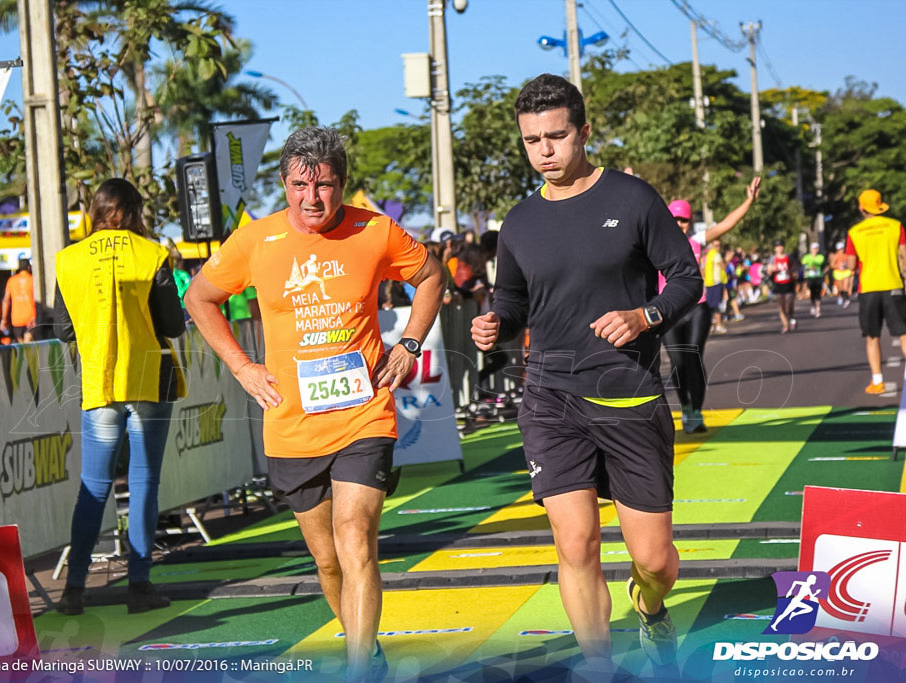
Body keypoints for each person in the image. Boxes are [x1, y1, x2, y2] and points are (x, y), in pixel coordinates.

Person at [184, 126, 445, 681]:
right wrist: (242, 365)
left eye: (324, 185)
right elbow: (198, 297)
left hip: (363, 415)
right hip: (292, 424)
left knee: (356, 537)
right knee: (327, 560)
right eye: (301, 184)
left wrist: (409, 343)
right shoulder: (255, 240)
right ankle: (364, 647)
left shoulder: (375, 230)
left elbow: (430, 276)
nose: (312, 197)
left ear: (342, 185)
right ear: (284, 184)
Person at [470, 74, 702, 672]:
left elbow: (686, 278)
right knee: (575, 543)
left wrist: (644, 315)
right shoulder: (518, 223)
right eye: (531, 140)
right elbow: (514, 301)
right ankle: (597, 665)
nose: (544, 150)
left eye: (556, 136)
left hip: (628, 394)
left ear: (584, 132)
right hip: (551, 396)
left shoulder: (633, 199)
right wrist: (496, 323)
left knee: (655, 559)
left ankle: (649, 608)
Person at [53, 178, 187, 615]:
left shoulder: (67, 260)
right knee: (145, 481)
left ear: (95, 210)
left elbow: (63, 330)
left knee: (93, 487)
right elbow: (172, 324)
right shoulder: (152, 254)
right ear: (133, 210)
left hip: (98, 380)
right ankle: (140, 585)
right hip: (147, 377)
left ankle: (74, 589)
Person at [660, 178, 760, 433]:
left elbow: (727, 223)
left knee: (693, 356)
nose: (679, 225)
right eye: (675, 220)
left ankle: (696, 412)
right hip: (669, 309)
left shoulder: (697, 240)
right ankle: (684, 407)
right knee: (677, 361)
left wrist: (749, 201)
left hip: (697, 307)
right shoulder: (655, 244)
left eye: (684, 220)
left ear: (690, 222)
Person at [846, 189, 906, 394]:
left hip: (869, 288)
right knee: (904, 333)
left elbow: (851, 263)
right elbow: (904, 256)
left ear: (861, 207)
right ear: (880, 205)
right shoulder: (895, 226)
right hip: (893, 284)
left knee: (872, 336)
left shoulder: (854, 232)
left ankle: (877, 381)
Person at [1, 259, 37, 342]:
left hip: (16, 318)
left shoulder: (11, 280)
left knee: (21, 345)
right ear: (29, 267)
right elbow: (37, 299)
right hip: (30, 317)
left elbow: (6, 301)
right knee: (28, 345)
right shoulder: (33, 279)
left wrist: (4, 319)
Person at [768, 240, 797, 333]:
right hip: (778, 284)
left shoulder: (789, 257)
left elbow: (795, 268)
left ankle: (792, 318)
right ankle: (785, 325)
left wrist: (792, 272)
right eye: (777, 246)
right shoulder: (773, 258)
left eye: (781, 246)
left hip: (789, 282)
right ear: (775, 248)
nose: (779, 248)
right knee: (781, 306)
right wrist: (772, 269)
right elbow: (768, 270)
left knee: (790, 303)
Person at [802, 243, 826, 318]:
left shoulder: (821, 257)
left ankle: (818, 310)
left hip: (818, 276)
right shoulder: (806, 257)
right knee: (812, 291)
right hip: (810, 277)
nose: (815, 250)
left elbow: (821, 264)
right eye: (813, 248)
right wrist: (808, 269)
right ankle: (812, 305)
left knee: (818, 292)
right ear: (811, 249)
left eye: (816, 248)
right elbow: (803, 265)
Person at [830, 241, 854, 308]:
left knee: (845, 287)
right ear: (838, 249)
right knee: (840, 288)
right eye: (840, 249)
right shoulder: (836, 255)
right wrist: (838, 266)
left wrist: (848, 266)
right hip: (838, 273)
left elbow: (850, 262)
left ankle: (847, 300)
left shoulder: (846, 255)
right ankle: (840, 295)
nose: (842, 250)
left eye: (842, 248)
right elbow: (832, 265)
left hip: (845, 272)